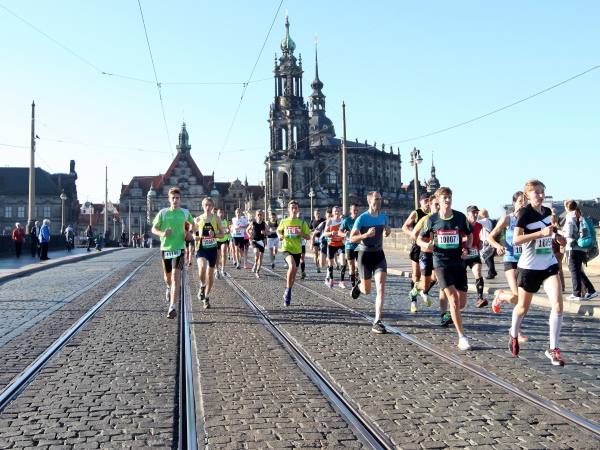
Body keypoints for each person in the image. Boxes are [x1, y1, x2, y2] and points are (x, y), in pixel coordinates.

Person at [512, 179, 567, 366]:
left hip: (548, 264)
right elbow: (516, 240)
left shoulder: (547, 212)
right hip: (529, 267)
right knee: (522, 308)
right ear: (528, 195)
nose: (541, 195)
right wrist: (540, 234)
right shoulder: (524, 213)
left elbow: (549, 232)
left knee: (558, 305)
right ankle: (513, 333)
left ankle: (553, 348)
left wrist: (557, 237)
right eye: (536, 192)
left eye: (542, 191)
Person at [417, 187, 473, 351]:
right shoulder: (432, 220)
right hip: (441, 262)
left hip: (458, 263)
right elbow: (418, 239)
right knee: (453, 299)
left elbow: (469, 235)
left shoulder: (460, 217)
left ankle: (453, 312)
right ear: (438, 201)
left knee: (461, 303)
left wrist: (467, 249)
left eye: (449, 197)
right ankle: (462, 337)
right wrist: (426, 245)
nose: (447, 200)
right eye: (444, 198)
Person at [487, 191, 529, 343]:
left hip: (526, 261)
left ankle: (516, 330)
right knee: (517, 297)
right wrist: (498, 246)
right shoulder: (507, 220)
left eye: (525, 202)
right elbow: (490, 237)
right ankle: (501, 296)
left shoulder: (529, 221)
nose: (523, 204)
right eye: (520, 201)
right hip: (511, 259)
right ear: (514, 203)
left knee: (524, 301)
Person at [350, 191, 391, 334]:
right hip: (365, 255)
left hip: (379, 254)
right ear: (369, 201)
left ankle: (377, 321)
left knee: (381, 287)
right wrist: (366, 235)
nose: (379, 201)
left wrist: (387, 232)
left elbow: (385, 232)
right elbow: (352, 238)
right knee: (366, 291)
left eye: (380, 199)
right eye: (376, 199)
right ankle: (358, 286)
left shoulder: (383, 217)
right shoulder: (362, 218)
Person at [152, 187, 195, 319]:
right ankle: (168, 287)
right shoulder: (163, 213)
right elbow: (154, 228)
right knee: (168, 277)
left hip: (179, 248)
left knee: (176, 276)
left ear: (180, 199)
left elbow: (193, 224)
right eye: (173, 198)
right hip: (166, 248)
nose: (175, 200)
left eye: (177, 198)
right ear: (169, 199)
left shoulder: (185, 212)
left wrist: (190, 232)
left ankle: (172, 306)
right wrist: (163, 233)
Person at [411, 196, 448, 322]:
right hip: (426, 254)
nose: (438, 207)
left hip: (439, 255)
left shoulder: (443, 219)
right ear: (430, 206)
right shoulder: (425, 219)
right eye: (435, 205)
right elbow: (414, 236)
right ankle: (416, 289)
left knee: (441, 281)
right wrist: (426, 243)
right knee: (425, 285)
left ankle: (444, 314)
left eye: (439, 204)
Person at [277, 200, 311, 306]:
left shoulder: (302, 222)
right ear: (288, 209)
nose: (294, 210)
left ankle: (289, 289)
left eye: (295, 208)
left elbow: (308, 237)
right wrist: (280, 236)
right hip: (286, 248)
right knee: (291, 266)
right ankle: (287, 291)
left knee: (294, 273)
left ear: (298, 209)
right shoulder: (284, 221)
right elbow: (278, 230)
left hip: (297, 250)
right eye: (292, 208)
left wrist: (299, 233)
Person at [194, 197, 225, 309]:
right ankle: (202, 285)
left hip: (212, 249)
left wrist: (214, 235)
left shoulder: (217, 219)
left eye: (210, 205)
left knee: (210, 275)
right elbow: (192, 232)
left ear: (212, 207)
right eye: (206, 205)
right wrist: (195, 237)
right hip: (201, 248)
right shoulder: (198, 219)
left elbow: (222, 234)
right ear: (203, 206)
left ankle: (207, 297)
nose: (208, 207)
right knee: (202, 268)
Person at [563, 200, 597, 301]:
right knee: (577, 270)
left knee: (573, 270)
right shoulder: (581, 215)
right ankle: (591, 291)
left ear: (567, 208)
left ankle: (576, 293)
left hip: (573, 247)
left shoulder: (570, 216)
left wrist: (559, 233)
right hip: (583, 247)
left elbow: (568, 233)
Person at [402, 194, 431, 306]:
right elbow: (404, 227)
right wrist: (413, 234)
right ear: (420, 202)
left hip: (429, 247)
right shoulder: (416, 213)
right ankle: (413, 301)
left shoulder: (434, 214)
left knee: (432, 276)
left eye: (429, 201)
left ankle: (424, 291)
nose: (427, 203)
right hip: (417, 247)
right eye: (425, 201)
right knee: (416, 275)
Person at [464, 206, 487, 308]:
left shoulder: (479, 226)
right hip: (463, 254)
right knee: (462, 277)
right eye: (473, 213)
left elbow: (478, 237)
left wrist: (480, 242)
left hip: (474, 254)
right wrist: (466, 240)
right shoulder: (462, 225)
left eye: (477, 213)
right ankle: (461, 296)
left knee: (477, 272)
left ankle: (480, 298)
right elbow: (458, 238)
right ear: (468, 214)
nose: (476, 215)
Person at [323, 206, 346, 288]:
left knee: (343, 262)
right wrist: (331, 233)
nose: (337, 212)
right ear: (332, 213)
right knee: (331, 263)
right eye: (335, 211)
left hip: (341, 244)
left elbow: (347, 230)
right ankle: (331, 279)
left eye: (338, 211)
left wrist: (345, 233)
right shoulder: (330, 221)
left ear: (340, 212)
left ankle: (342, 281)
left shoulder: (343, 221)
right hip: (332, 244)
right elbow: (324, 233)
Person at [340, 203, 360, 289]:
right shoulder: (347, 220)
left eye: (357, 210)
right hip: (349, 245)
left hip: (359, 245)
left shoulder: (361, 219)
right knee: (351, 265)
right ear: (350, 210)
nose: (356, 212)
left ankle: (357, 275)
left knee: (360, 264)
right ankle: (353, 286)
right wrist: (344, 234)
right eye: (354, 210)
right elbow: (339, 232)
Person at [478, 209, 498, 279]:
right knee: (488, 258)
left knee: (488, 258)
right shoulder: (490, 221)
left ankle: (491, 273)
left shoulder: (485, 221)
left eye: (479, 215)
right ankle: (492, 271)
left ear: (483, 215)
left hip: (487, 243)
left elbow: (476, 222)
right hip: (490, 243)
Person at [247, 210, 267, 278]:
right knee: (257, 254)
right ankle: (255, 263)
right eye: (258, 215)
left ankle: (257, 271)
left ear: (263, 216)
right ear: (256, 216)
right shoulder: (253, 223)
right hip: (254, 240)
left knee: (260, 258)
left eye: (260, 215)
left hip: (262, 242)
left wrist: (265, 232)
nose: (259, 216)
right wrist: (249, 235)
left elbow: (269, 232)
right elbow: (247, 230)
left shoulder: (264, 224)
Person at [550, 209, 566, 292]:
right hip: (559, 251)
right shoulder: (559, 228)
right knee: (559, 269)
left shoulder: (552, 229)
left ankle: (560, 287)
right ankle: (562, 286)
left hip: (554, 250)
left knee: (557, 270)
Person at [215, 208, 229, 279]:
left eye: (222, 213)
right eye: (219, 213)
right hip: (217, 240)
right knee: (217, 256)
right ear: (217, 214)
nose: (221, 214)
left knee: (224, 253)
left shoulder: (226, 221)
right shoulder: (215, 221)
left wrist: (228, 231)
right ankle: (217, 270)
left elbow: (228, 229)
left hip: (224, 239)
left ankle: (223, 268)